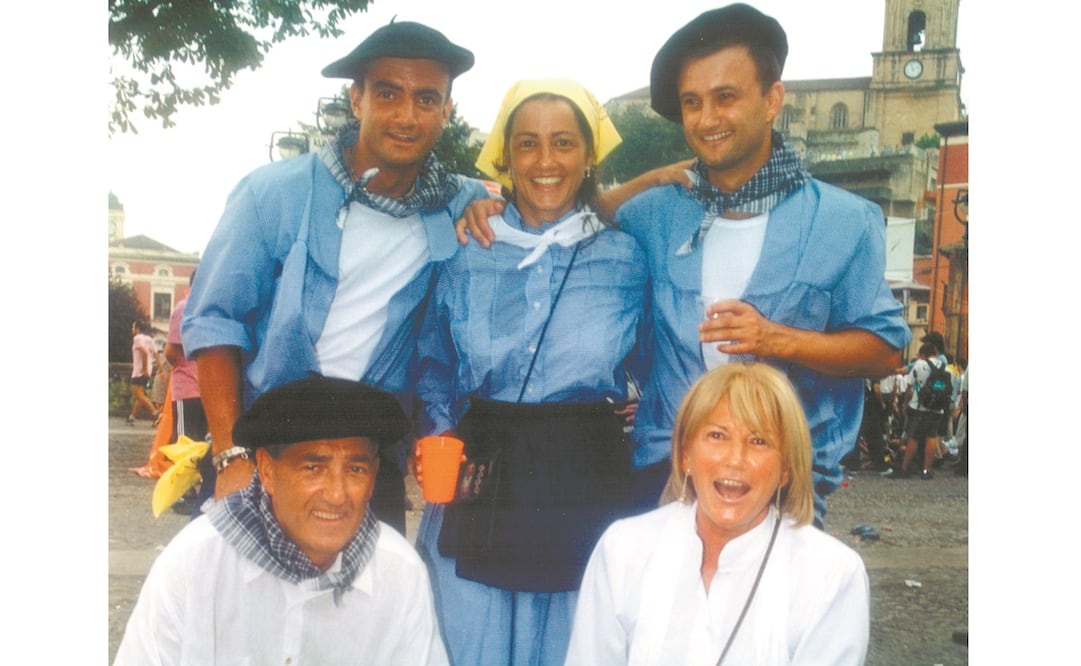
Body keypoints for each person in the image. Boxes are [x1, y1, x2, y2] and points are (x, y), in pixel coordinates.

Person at [458, 4, 910, 524]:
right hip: (663, 482)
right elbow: (572, 208)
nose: (707, 119)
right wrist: (491, 205)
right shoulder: (654, 216)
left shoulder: (845, 220)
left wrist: (777, 339)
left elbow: (886, 352)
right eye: (692, 103)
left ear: (772, 101)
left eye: (726, 98)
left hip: (783, 489)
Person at [181, 20, 489, 534]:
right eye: (388, 94)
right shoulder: (272, 194)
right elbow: (215, 322)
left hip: (369, 454)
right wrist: (230, 455)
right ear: (356, 100)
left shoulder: (463, 202)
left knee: (367, 608)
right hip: (269, 447)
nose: (406, 117)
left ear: (446, 111)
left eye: (426, 99)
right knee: (247, 608)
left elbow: (551, 208)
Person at [413, 79, 647, 666]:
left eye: (564, 143)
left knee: (572, 643)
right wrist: (439, 434)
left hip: (583, 477)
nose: (545, 162)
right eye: (527, 144)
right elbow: (433, 360)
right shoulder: (468, 248)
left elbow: (656, 359)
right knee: (471, 642)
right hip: (483, 477)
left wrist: (649, 404)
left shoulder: (625, 256)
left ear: (589, 155)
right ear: (505, 156)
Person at [114, 376, 449, 665]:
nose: (336, 494)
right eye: (312, 468)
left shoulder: (401, 574)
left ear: (374, 477)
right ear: (268, 471)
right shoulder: (195, 564)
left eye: (355, 469)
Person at [565, 363, 869, 665]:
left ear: (786, 470)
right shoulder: (623, 549)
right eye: (717, 436)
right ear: (685, 455)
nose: (735, 459)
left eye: (758, 441)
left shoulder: (832, 574)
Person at [165, 270, 212, 515]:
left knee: (184, 441)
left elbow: (171, 352)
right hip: (209, 387)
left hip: (187, 387)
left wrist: (184, 368)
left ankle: (185, 494)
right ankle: (204, 490)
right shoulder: (211, 306)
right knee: (204, 442)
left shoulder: (182, 308)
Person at [895, 341, 947, 479]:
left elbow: (910, 387)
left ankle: (904, 468)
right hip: (937, 408)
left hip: (919, 406)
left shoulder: (920, 364)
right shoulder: (943, 366)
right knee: (931, 437)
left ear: (923, 354)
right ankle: (926, 470)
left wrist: (905, 403)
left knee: (914, 437)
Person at [127, 322, 161, 426]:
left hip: (139, 371)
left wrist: (144, 369)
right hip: (148, 370)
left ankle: (155, 413)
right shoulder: (149, 339)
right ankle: (132, 416)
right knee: (140, 395)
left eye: (133, 327)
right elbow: (155, 354)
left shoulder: (137, 338)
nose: (132, 329)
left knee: (137, 393)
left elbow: (145, 352)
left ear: (137, 328)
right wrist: (160, 368)